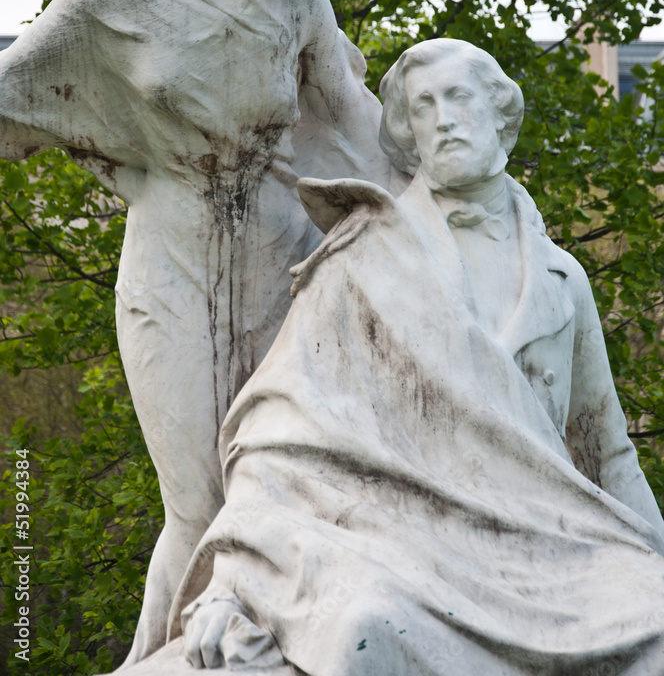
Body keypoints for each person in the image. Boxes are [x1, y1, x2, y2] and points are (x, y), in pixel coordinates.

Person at [0, 0, 392, 666]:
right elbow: (17, 93)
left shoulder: (299, 3)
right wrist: (120, 162)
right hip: (171, 263)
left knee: (276, 491)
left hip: (288, 264)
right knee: (199, 503)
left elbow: (358, 125)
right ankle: (154, 662)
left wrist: (463, 218)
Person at [169, 38, 664, 675]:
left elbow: (608, 452)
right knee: (365, 629)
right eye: (424, 107)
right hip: (405, 540)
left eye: (459, 98)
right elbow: (280, 428)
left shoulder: (562, 279)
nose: (445, 118)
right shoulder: (363, 261)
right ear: (409, 136)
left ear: (501, 118)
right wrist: (229, 584)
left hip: (547, 546)